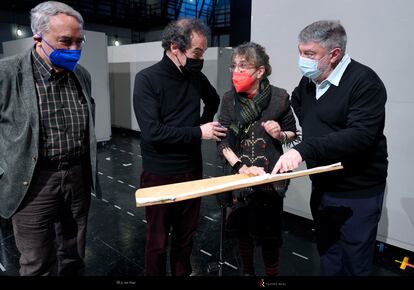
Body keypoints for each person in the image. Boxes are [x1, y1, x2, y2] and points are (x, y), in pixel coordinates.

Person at [272, 20, 388, 276]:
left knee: (355, 263)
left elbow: (360, 136)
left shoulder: (364, 82)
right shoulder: (309, 81)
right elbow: (299, 101)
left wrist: (305, 148)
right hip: (323, 186)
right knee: (328, 254)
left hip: (357, 192)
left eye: (310, 54)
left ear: (334, 54)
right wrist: (315, 134)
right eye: (301, 52)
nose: (303, 60)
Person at [0, 1, 99, 276]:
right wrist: (3, 173)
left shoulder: (82, 75)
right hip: (32, 182)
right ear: (38, 38)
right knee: (37, 263)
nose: (74, 50)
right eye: (65, 42)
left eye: (80, 42)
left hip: (76, 177)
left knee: (73, 255)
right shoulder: (7, 74)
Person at [133, 18, 227, 276]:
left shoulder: (195, 76)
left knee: (185, 239)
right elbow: (152, 132)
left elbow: (213, 99)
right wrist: (198, 131)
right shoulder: (147, 79)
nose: (201, 59)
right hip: (159, 173)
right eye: (197, 52)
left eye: (203, 53)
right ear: (175, 46)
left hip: (191, 169)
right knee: (157, 242)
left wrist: (201, 123)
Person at [217, 42, 297, 276]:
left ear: (260, 71)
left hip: (270, 180)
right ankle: (248, 272)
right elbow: (222, 141)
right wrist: (240, 167)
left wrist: (279, 133)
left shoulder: (280, 98)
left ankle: (271, 277)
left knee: (271, 236)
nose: (235, 72)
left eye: (243, 66)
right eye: (233, 66)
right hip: (240, 179)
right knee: (243, 232)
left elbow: (292, 132)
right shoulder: (229, 99)